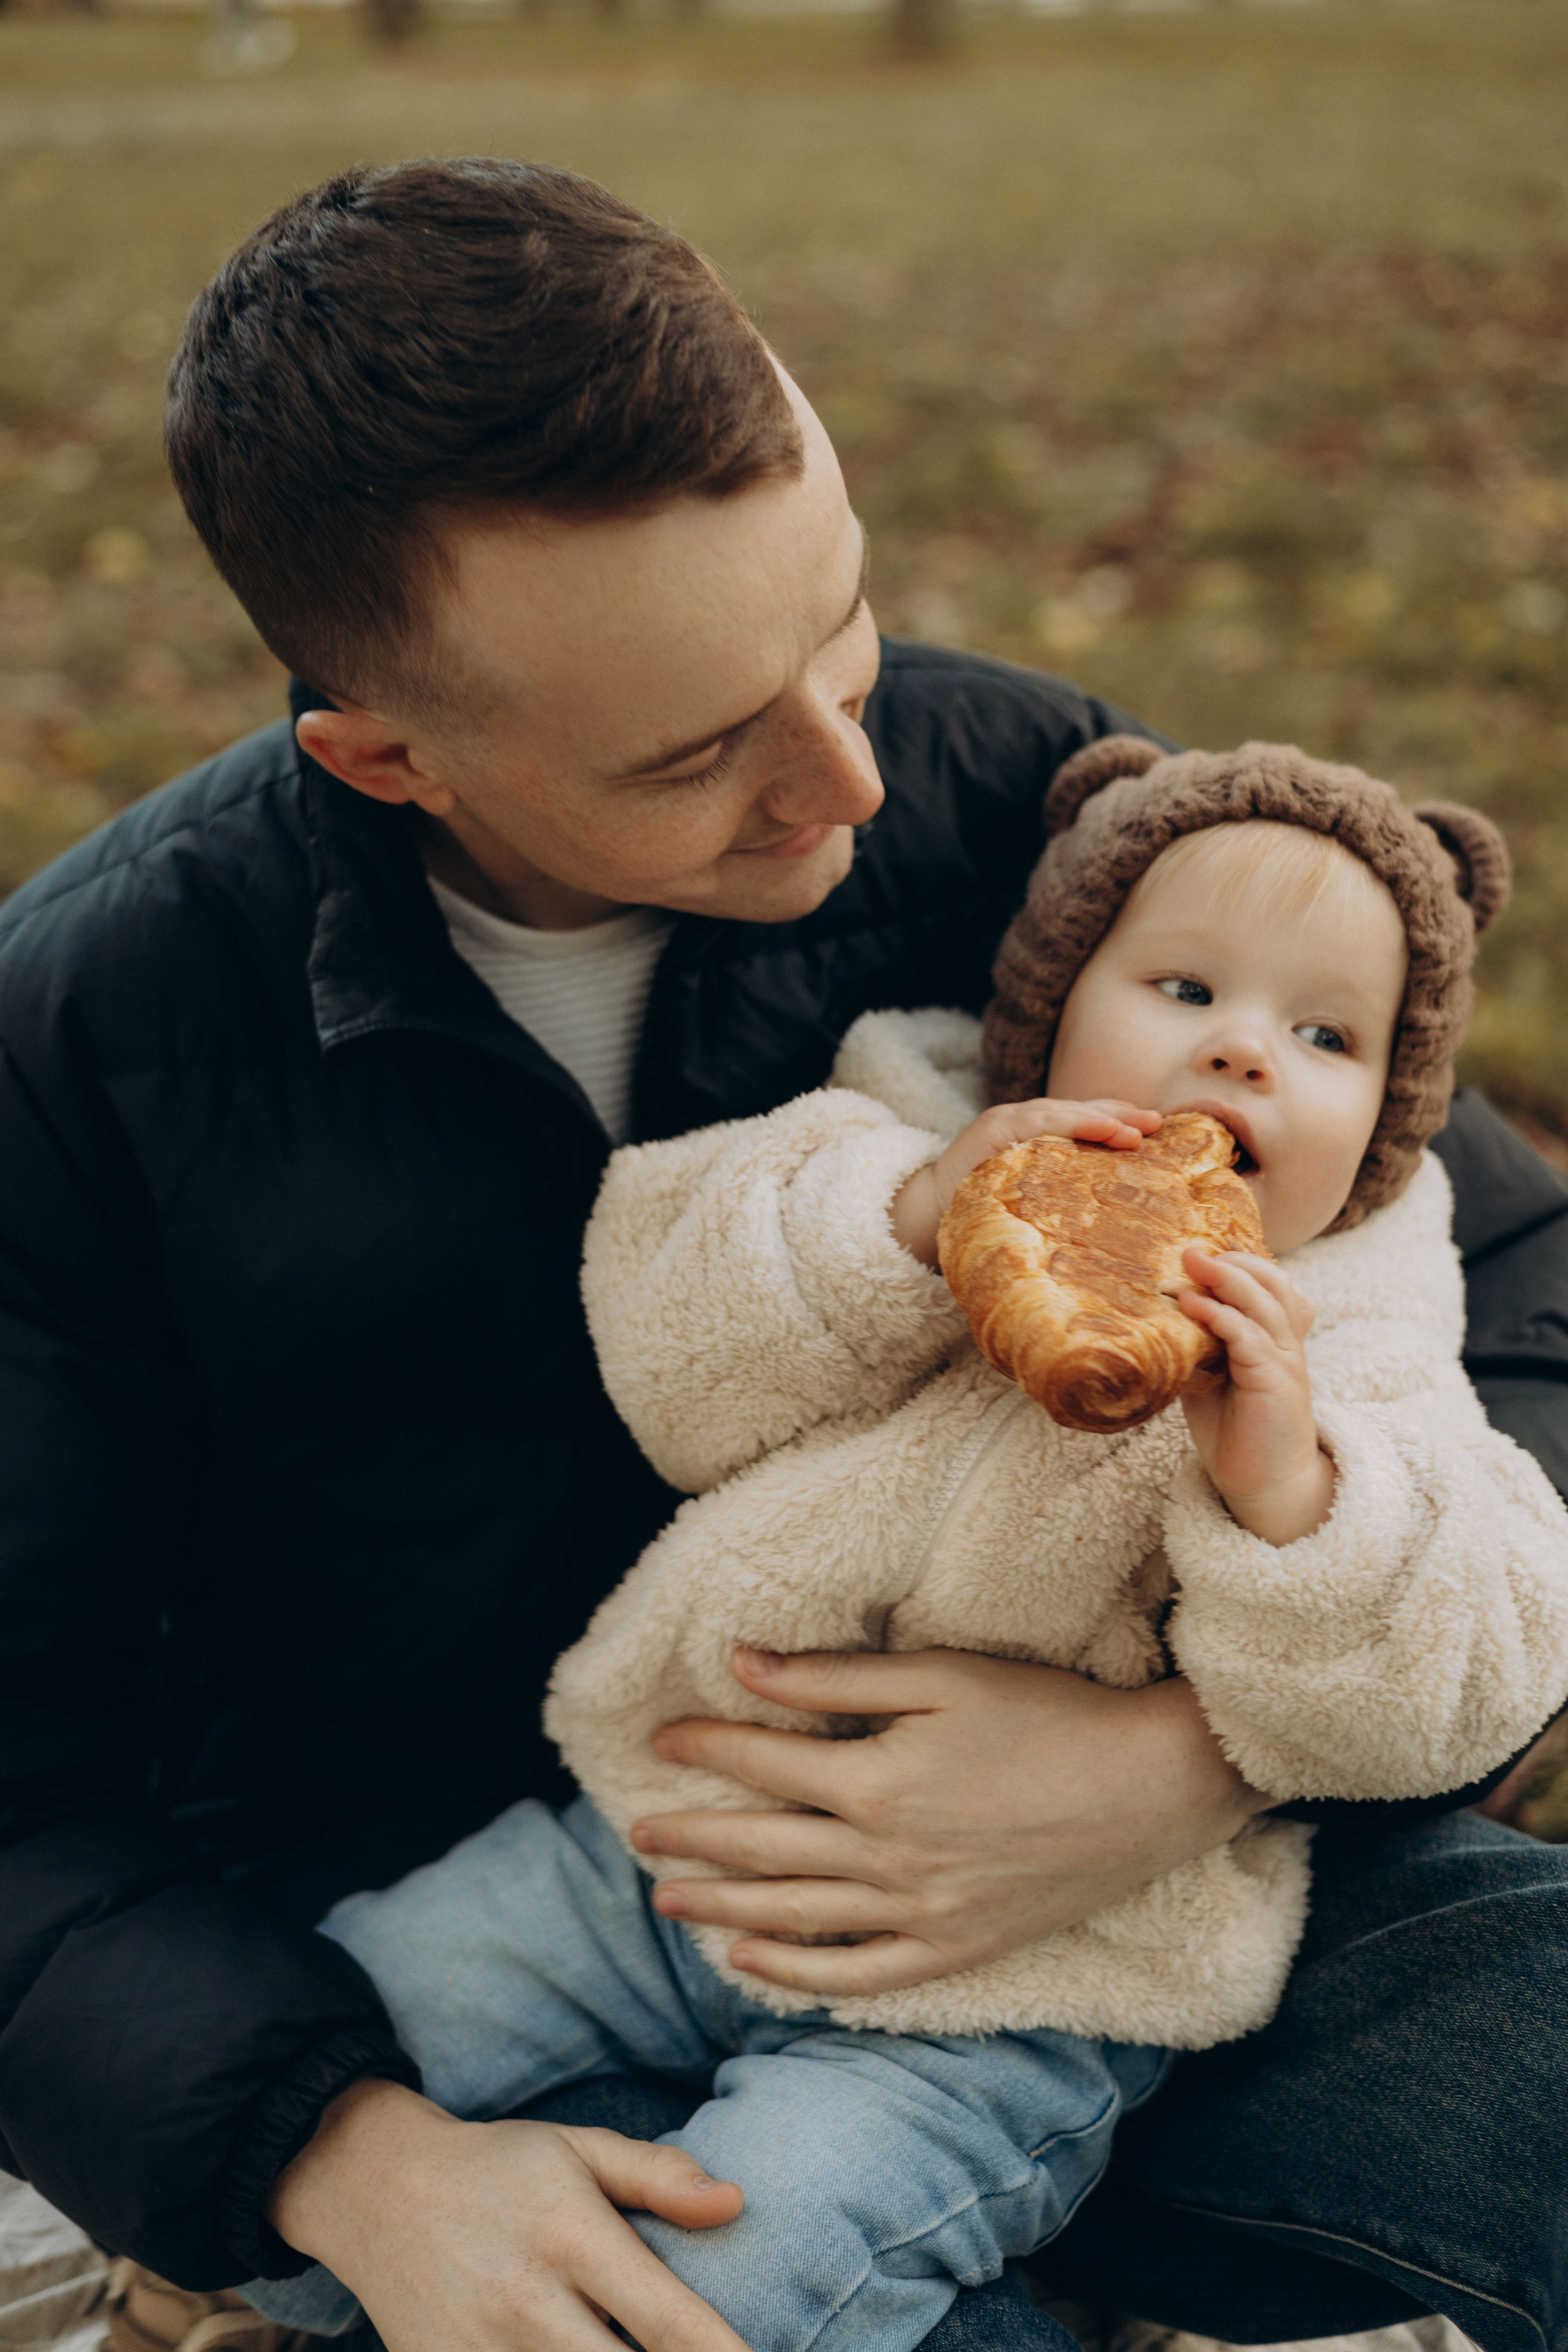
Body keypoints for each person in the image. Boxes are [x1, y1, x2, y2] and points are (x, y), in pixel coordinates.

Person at [0, 153, 1564, 2352]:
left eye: (839, 617)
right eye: (701, 748)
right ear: (385, 754)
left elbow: (1513, 1286)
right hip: (473, 1959)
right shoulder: (86, 1040)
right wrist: (347, 2162)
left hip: (1142, 1921)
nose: (846, 778)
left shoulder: (1011, 783)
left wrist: (1191, 1758)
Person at [238, 741, 1568, 2352]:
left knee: (748, 2266)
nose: (1242, 1057)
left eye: (1325, 1035)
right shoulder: (895, 1143)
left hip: (1007, 1995)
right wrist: (904, 1225)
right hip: (661, 1844)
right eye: (1186, 987)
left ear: (1388, 1124)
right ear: (1054, 1003)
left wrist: (1294, 1493)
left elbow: (1471, 1670)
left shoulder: (1362, 1354)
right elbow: (673, 1339)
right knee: (335, 2032)